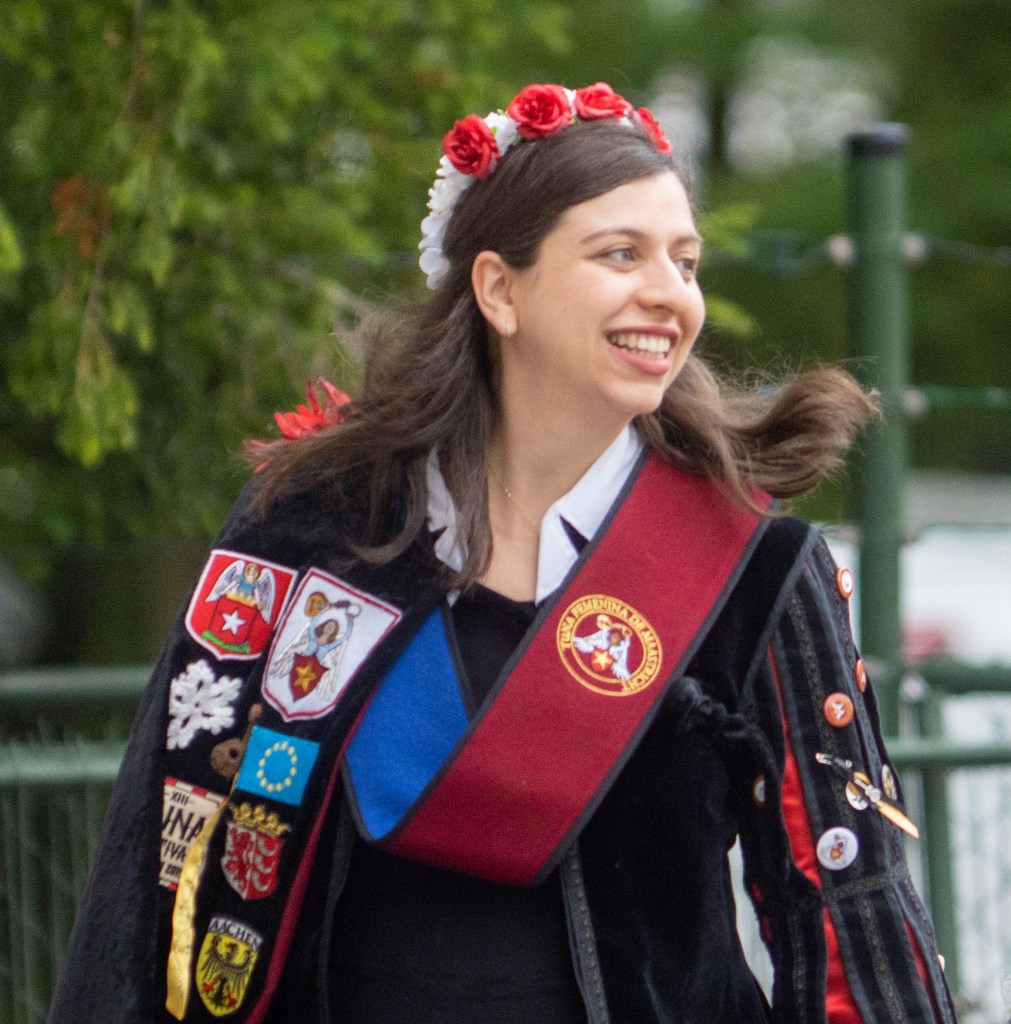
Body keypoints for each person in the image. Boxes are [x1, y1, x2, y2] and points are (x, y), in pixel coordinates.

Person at [48, 82, 958, 1024]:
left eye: (685, 262)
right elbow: (169, 849)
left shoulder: (752, 566)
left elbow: (846, 911)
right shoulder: (313, 527)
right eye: (619, 254)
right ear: (498, 289)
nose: (670, 294)